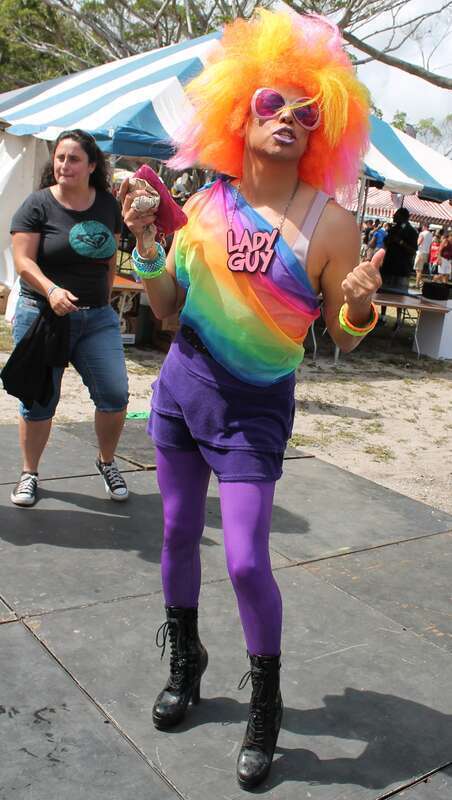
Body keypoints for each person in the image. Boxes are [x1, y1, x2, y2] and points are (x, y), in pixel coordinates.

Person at [121, 10, 382, 789]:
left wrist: (362, 304)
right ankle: (188, 661)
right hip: (179, 394)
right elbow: (166, 308)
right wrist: (144, 249)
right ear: (243, 110)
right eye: (274, 104)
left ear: (324, 130)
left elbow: (343, 332)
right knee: (173, 534)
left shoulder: (331, 224)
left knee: (242, 559)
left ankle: (264, 699)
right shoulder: (205, 206)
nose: (290, 122)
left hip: (254, 411)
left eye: (309, 114)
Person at [8, 129, 129, 507]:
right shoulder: (37, 205)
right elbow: (23, 260)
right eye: (60, 157)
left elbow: (109, 255)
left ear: (92, 166)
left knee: (115, 393)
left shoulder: (107, 204)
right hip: (44, 316)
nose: (64, 165)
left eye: (74, 159)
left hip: (97, 319)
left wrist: (104, 297)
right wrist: (52, 290)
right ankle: (29, 473)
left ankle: (106, 462)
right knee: (39, 399)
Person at [378, 207, 418, 328]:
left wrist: (400, 242)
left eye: (396, 214)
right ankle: (383, 317)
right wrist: (388, 238)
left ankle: (398, 320)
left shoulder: (412, 232)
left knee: (400, 296)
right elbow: (386, 243)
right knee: (383, 292)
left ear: (403, 217)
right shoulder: (393, 229)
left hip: (402, 269)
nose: (394, 216)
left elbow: (413, 250)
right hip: (389, 266)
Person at [414, 224, 433, 289]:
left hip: (420, 252)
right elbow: (430, 245)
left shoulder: (422, 233)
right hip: (426, 253)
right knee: (419, 270)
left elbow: (418, 243)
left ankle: (417, 284)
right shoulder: (431, 234)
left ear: (424, 227)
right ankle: (420, 282)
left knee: (418, 270)